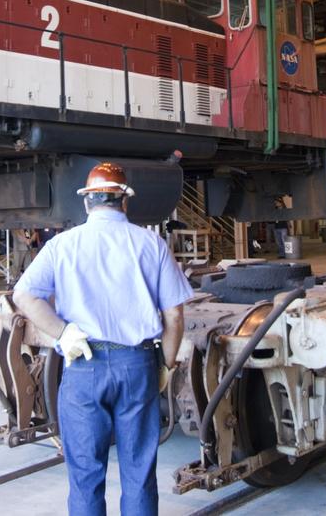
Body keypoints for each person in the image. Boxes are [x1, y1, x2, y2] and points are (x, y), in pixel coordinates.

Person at [12, 162, 192, 516]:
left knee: (85, 472)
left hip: (83, 366)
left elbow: (24, 295)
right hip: (137, 365)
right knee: (139, 472)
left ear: (86, 203)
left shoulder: (62, 245)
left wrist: (63, 333)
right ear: (124, 202)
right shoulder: (150, 244)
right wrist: (166, 365)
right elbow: (174, 316)